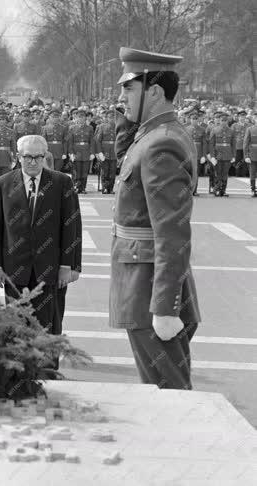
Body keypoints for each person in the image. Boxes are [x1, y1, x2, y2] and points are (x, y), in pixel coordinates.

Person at [112, 47, 201, 390]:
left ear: (154, 92)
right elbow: (129, 167)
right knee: (161, 387)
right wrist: (124, 122)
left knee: (169, 392)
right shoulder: (152, 136)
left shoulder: (161, 144)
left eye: (128, 88)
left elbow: (173, 232)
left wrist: (164, 307)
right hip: (145, 275)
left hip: (150, 284)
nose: (121, 95)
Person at [0, 135, 81, 349]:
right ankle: (17, 375)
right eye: (27, 157)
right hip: (14, 270)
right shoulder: (2, 184)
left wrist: (68, 265)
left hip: (49, 270)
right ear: (17, 157)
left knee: (49, 326)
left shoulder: (61, 182)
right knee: (14, 326)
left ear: (45, 157)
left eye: (38, 157)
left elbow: (71, 226)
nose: (33, 162)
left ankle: (48, 372)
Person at [208, 111, 236, 197]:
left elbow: (233, 144)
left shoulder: (231, 131)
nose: (224, 122)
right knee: (218, 173)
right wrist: (212, 156)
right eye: (222, 120)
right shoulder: (214, 130)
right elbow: (211, 144)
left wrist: (233, 156)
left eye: (225, 120)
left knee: (225, 173)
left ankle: (223, 190)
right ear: (219, 121)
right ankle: (217, 189)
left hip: (227, 155)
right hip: (218, 155)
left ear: (227, 121)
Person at [94, 109, 118, 194]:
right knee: (104, 171)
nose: (112, 119)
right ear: (107, 118)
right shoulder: (102, 126)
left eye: (113, 117)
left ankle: (110, 188)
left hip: (114, 152)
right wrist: (99, 152)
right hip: (104, 152)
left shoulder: (118, 126)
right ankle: (104, 187)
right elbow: (97, 141)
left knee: (112, 171)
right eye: (110, 117)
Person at [243, 115, 257, 197]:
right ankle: (253, 189)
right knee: (252, 172)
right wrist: (246, 156)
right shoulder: (250, 129)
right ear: (254, 120)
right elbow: (245, 143)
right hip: (253, 154)